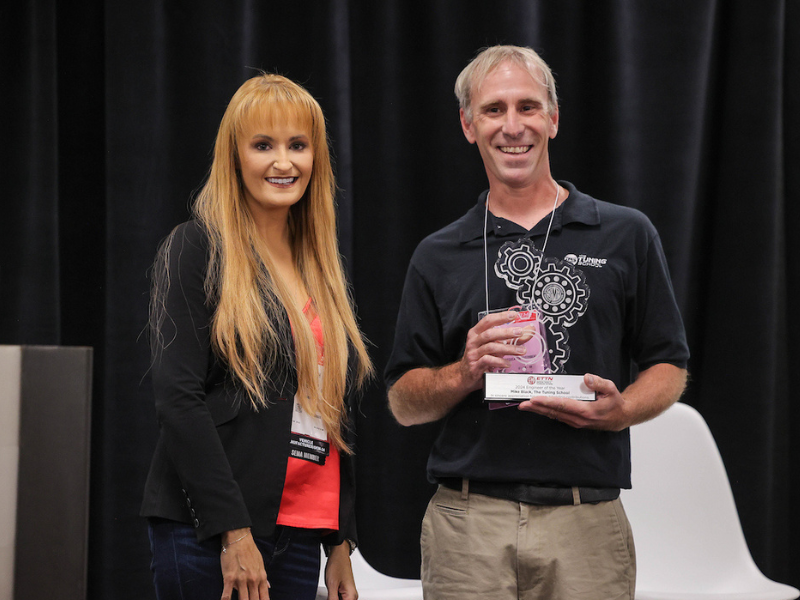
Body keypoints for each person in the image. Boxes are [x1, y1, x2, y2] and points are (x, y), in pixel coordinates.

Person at [385, 45, 689, 600]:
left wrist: (621, 411)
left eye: (527, 106)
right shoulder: (438, 252)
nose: (512, 126)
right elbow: (404, 402)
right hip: (468, 524)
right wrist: (464, 371)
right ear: (468, 125)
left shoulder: (625, 233)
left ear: (553, 117)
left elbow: (668, 363)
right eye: (493, 109)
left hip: (585, 521)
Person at [141, 73, 372, 600]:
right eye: (263, 145)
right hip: (211, 532)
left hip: (299, 531)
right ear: (235, 156)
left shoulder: (320, 269)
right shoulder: (196, 247)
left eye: (298, 145)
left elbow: (333, 408)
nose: (283, 162)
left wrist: (340, 540)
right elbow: (178, 399)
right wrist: (234, 533)